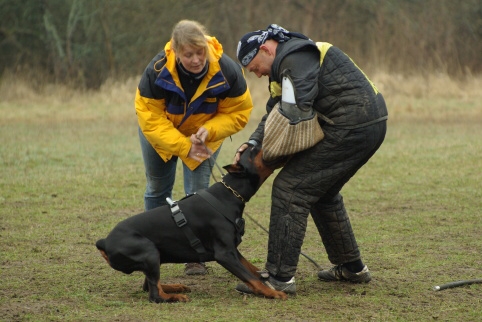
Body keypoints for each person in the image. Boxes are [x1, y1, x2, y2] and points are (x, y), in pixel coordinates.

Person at [234, 24, 388, 294]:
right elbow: (275, 109)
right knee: (321, 193)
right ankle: (351, 268)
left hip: (350, 125)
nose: (256, 74)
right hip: (367, 123)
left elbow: (296, 114)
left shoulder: (296, 57)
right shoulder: (288, 62)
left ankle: (279, 278)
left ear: (265, 49)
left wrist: (268, 159)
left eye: (254, 66)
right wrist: (254, 142)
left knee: (290, 188)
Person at [135, 20, 253, 276]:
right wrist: (182, 146)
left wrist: (209, 131)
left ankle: (196, 255)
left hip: (204, 137)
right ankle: (153, 245)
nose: (197, 59)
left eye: (200, 53)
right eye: (189, 55)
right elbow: (150, 118)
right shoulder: (156, 71)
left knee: (199, 194)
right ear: (176, 51)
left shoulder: (226, 69)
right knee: (157, 188)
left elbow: (239, 112)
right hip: (161, 135)